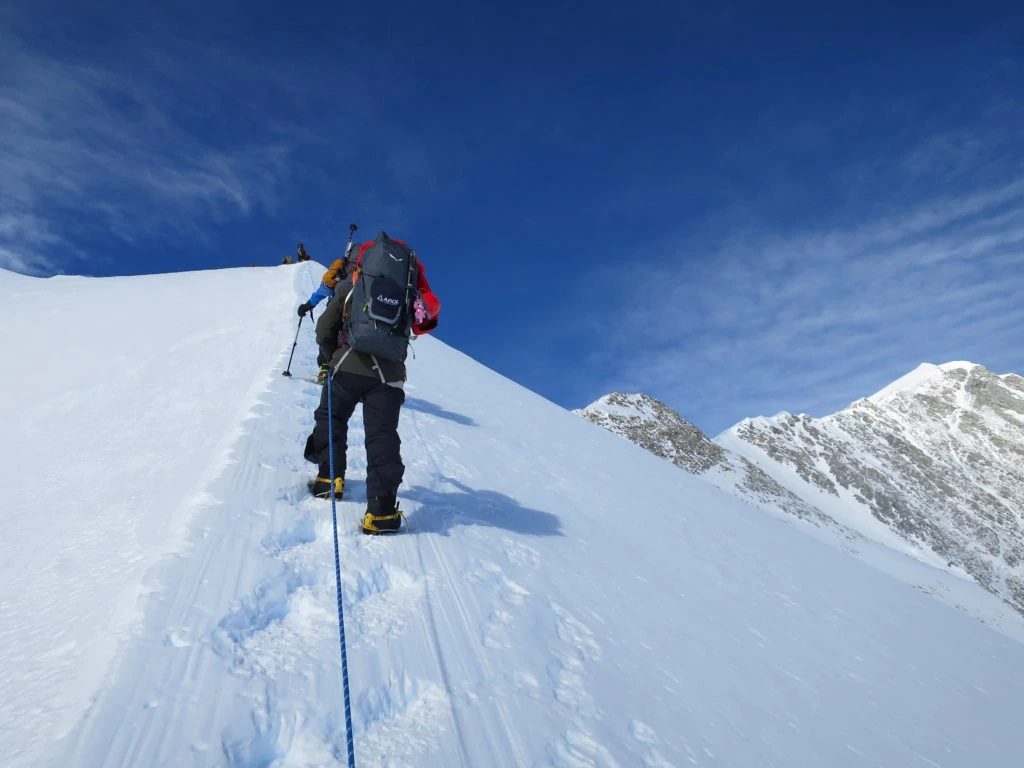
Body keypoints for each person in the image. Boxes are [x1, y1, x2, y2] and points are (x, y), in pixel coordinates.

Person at [303, 231, 440, 534]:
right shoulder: (406, 292)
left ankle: (330, 479)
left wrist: (330, 359)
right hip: (389, 377)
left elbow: (325, 328)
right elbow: (422, 322)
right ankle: (381, 513)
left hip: (347, 365)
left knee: (331, 417)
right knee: (382, 436)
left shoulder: (351, 288)